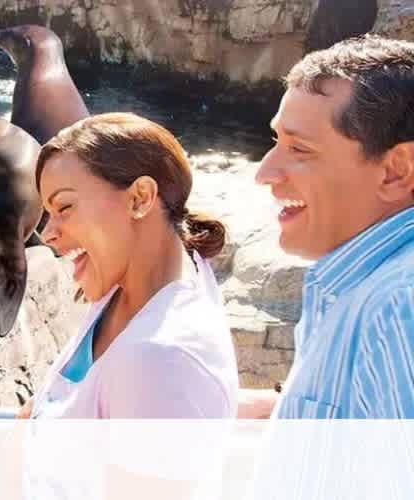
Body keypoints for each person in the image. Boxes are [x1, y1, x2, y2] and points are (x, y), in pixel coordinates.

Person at [23, 112, 240, 420]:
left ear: (140, 198)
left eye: (65, 207)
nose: (47, 235)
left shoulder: (161, 359)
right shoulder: (137, 282)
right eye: (49, 213)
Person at [241, 35, 414, 419]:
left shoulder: (397, 310)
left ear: (396, 171)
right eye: (275, 141)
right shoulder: (363, 287)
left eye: (299, 149)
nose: (264, 173)